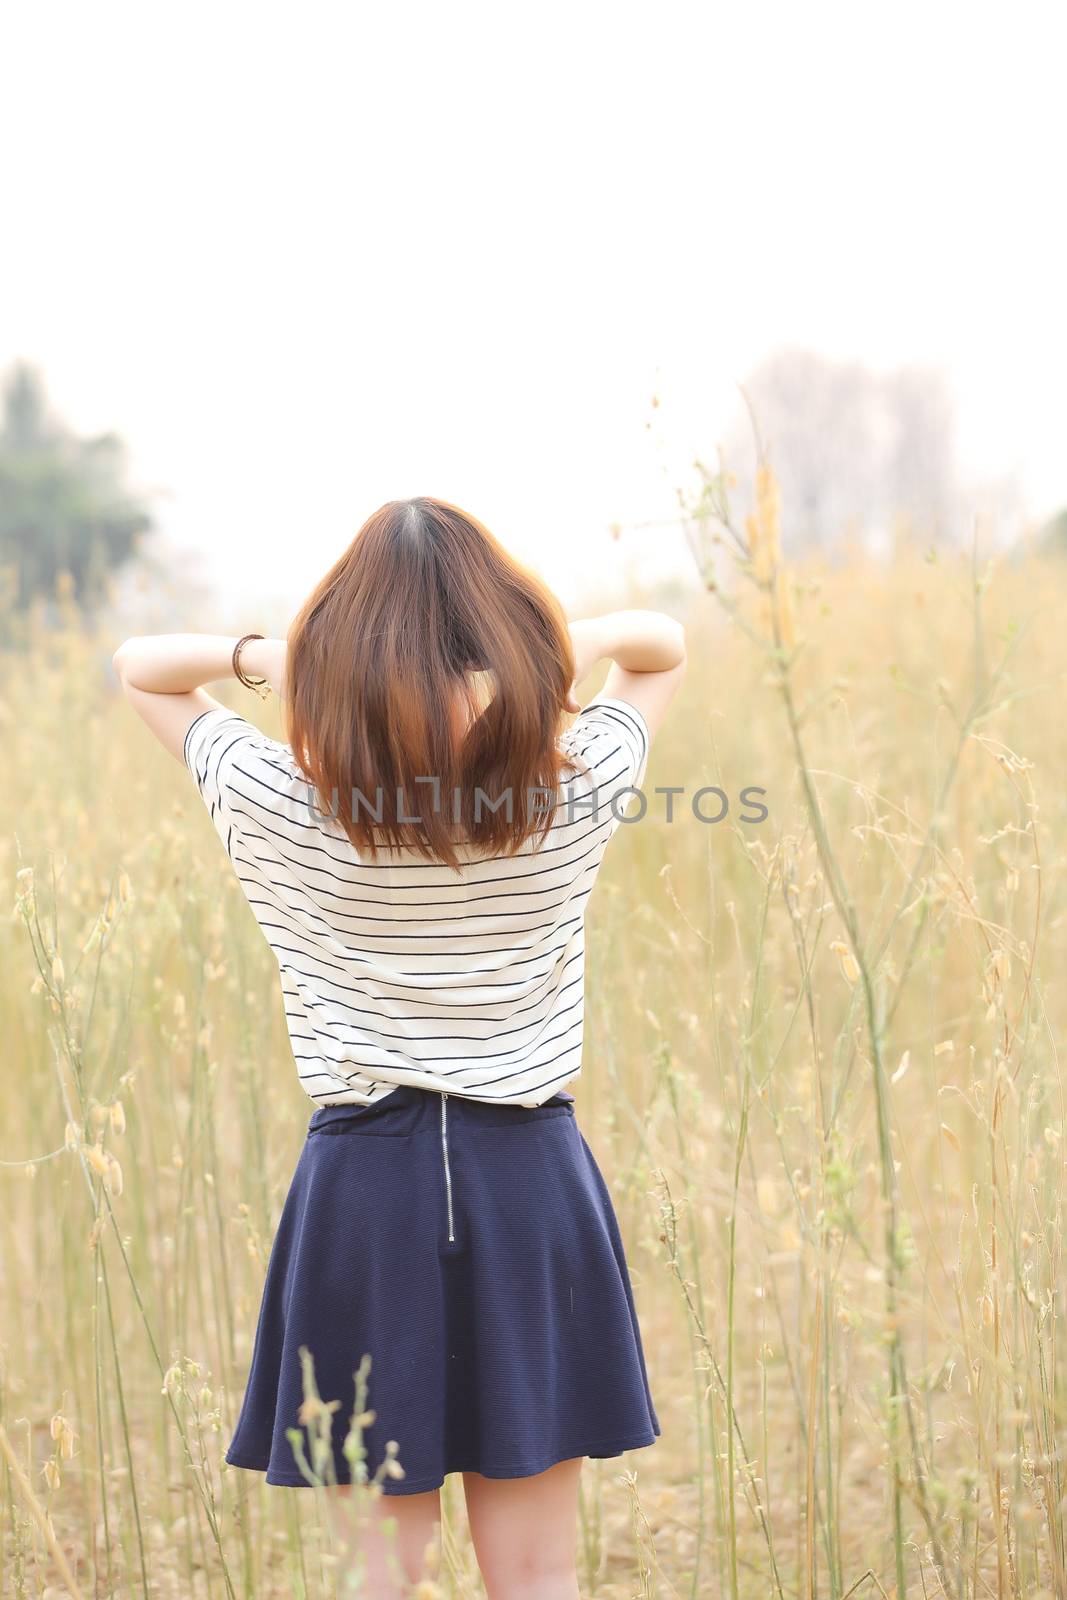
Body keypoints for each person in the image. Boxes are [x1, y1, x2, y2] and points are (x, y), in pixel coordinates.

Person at [112, 496, 687, 1599]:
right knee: (538, 1575)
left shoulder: (276, 798)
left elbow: (140, 668)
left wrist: (276, 656)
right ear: (511, 650)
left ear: (338, 660)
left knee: (380, 1576)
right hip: (529, 1188)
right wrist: (565, 644)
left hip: (363, 1193)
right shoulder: (574, 791)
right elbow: (659, 646)